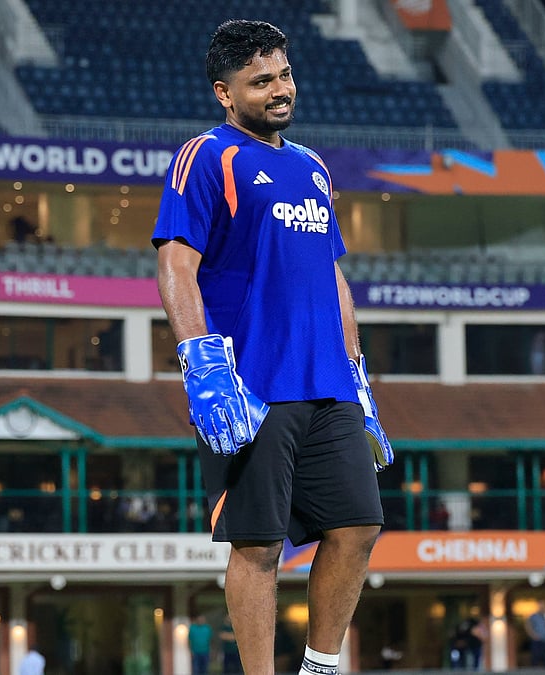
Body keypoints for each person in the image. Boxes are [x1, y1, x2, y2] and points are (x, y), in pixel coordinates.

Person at [152, 19, 392, 675]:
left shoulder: (313, 167)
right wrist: (203, 365)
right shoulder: (206, 155)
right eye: (261, 81)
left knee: (358, 527)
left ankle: (317, 668)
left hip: (330, 385)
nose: (280, 89)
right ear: (225, 93)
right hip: (254, 386)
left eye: (284, 74)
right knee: (258, 545)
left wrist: (358, 373)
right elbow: (175, 263)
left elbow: (333, 276)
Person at [524, 600, 545, 667]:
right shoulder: (533, 616)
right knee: (535, 658)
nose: (542, 607)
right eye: (541, 605)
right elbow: (527, 626)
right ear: (538, 606)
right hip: (536, 640)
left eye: (544, 606)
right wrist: (532, 635)